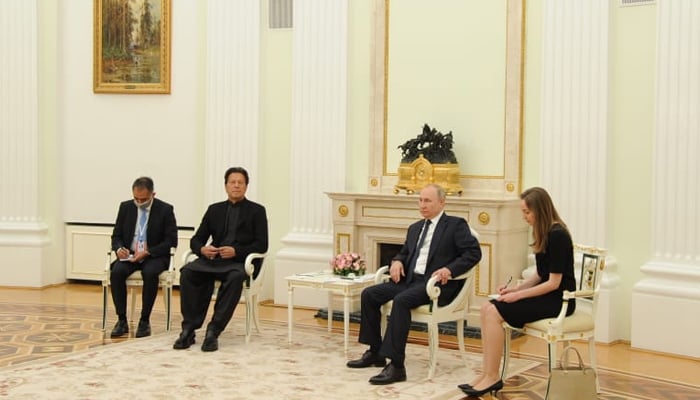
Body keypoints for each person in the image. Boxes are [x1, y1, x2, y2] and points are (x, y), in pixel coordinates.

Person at [347, 184, 482, 385]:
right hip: (410, 281)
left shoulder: (455, 225)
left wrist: (450, 270)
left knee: (401, 301)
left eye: (427, 201)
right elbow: (405, 252)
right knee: (369, 294)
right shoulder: (415, 228)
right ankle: (375, 352)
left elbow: (473, 253)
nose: (422, 205)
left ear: (442, 202)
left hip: (435, 286)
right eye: (420, 200)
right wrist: (397, 261)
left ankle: (397, 366)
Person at [458, 187, 575, 397]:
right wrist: (515, 288)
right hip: (546, 295)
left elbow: (553, 283)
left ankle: (493, 377)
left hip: (559, 300)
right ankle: (486, 373)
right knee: (487, 308)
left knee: (493, 312)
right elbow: (540, 274)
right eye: (523, 212)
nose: (525, 217)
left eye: (527, 212)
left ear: (540, 210)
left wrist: (517, 296)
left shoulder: (558, 235)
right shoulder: (543, 232)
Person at [173, 167, 269, 352]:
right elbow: (197, 238)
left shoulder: (257, 211)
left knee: (235, 278)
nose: (236, 186)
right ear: (225, 186)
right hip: (213, 260)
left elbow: (262, 245)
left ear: (246, 187)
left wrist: (236, 251)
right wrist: (202, 249)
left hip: (238, 262)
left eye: (240, 183)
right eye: (232, 182)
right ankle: (189, 329)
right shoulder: (214, 210)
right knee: (188, 272)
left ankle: (214, 330)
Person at [110, 176, 178, 338]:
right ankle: (121, 320)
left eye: (144, 199)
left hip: (154, 256)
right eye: (136, 199)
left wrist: (148, 251)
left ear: (153, 195)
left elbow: (171, 241)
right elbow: (116, 235)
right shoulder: (125, 207)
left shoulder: (165, 210)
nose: (140, 202)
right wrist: (119, 248)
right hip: (131, 255)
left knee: (150, 273)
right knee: (117, 272)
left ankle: (144, 320)